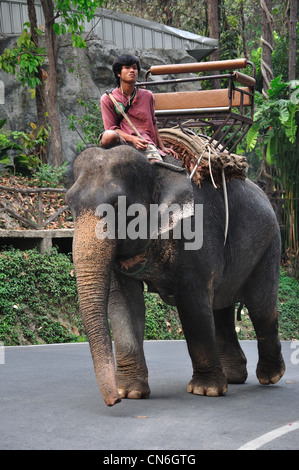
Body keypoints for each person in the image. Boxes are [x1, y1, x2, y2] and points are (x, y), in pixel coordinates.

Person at [100, 54, 177, 159]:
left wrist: (162, 147)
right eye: (127, 68)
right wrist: (132, 139)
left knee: (156, 165)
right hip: (121, 140)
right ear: (118, 73)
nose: (132, 71)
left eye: (135, 68)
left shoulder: (147, 96)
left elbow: (153, 122)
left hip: (144, 141)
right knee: (109, 135)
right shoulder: (108, 98)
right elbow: (111, 128)